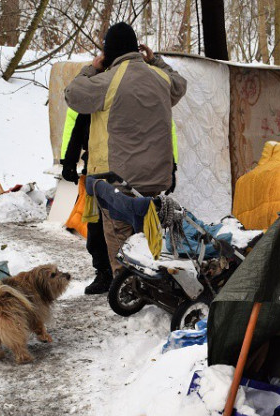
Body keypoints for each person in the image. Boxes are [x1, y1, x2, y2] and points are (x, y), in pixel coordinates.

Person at [64, 22, 187, 275]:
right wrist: (156, 62)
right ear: (137, 48)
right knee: (149, 231)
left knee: (120, 239)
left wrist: (91, 68)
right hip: (155, 178)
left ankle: (129, 287)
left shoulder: (107, 81)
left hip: (118, 178)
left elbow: (73, 95)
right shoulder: (161, 78)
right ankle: (153, 282)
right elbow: (179, 84)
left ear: (109, 53)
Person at [60, 108, 114, 294]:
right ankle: (104, 272)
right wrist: (68, 161)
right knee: (95, 223)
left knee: (125, 223)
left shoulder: (132, 90)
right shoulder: (91, 94)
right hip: (95, 167)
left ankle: (128, 273)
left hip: (126, 167)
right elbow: (75, 127)